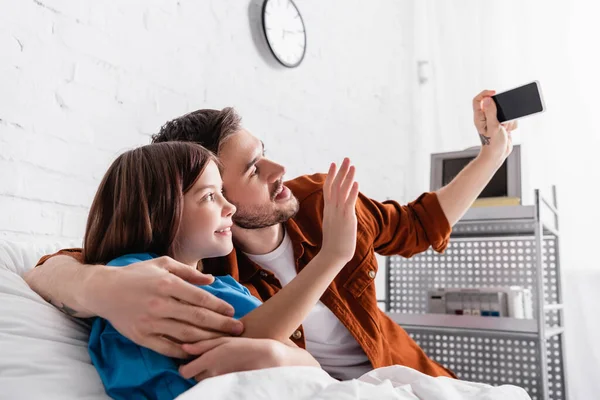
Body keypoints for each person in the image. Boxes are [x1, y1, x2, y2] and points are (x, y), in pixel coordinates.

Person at [25, 90, 516, 381]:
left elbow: (417, 223)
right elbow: (56, 267)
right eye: (256, 168)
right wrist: (102, 289)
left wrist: (493, 152)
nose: (281, 169)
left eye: (268, 152)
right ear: (209, 192)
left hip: (402, 378)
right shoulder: (202, 262)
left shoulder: (326, 203)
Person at [83, 140, 365, 399]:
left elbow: (300, 361)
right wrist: (333, 256)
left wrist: (277, 355)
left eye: (222, 192)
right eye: (209, 196)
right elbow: (238, 351)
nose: (229, 207)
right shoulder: (131, 275)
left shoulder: (227, 286)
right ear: (158, 211)